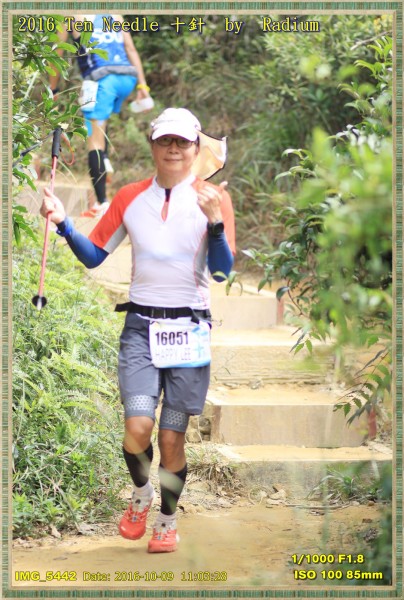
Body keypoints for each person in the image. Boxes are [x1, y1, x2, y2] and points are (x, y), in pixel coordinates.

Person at [40, 107, 236, 553]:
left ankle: (167, 519)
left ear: (196, 148)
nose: (173, 148)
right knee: (137, 428)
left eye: (182, 141)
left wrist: (216, 224)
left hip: (188, 332)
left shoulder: (213, 199)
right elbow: (95, 255)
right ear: (152, 144)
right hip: (141, 329)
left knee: (171, 438)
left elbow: (223, 272)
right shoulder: (130, 197)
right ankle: (142, 492)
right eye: (165, 140)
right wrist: (64, 223)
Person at [50, 14, 151, 217]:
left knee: (94, 141)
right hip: (127, 79)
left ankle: (102, 203)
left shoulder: (71, 16)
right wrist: (143, 86)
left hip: (101, 81)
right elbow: (130, 49)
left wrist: (53, 88)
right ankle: (105, 161)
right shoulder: (115, 15)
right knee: (101, 127)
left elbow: (57, 52)